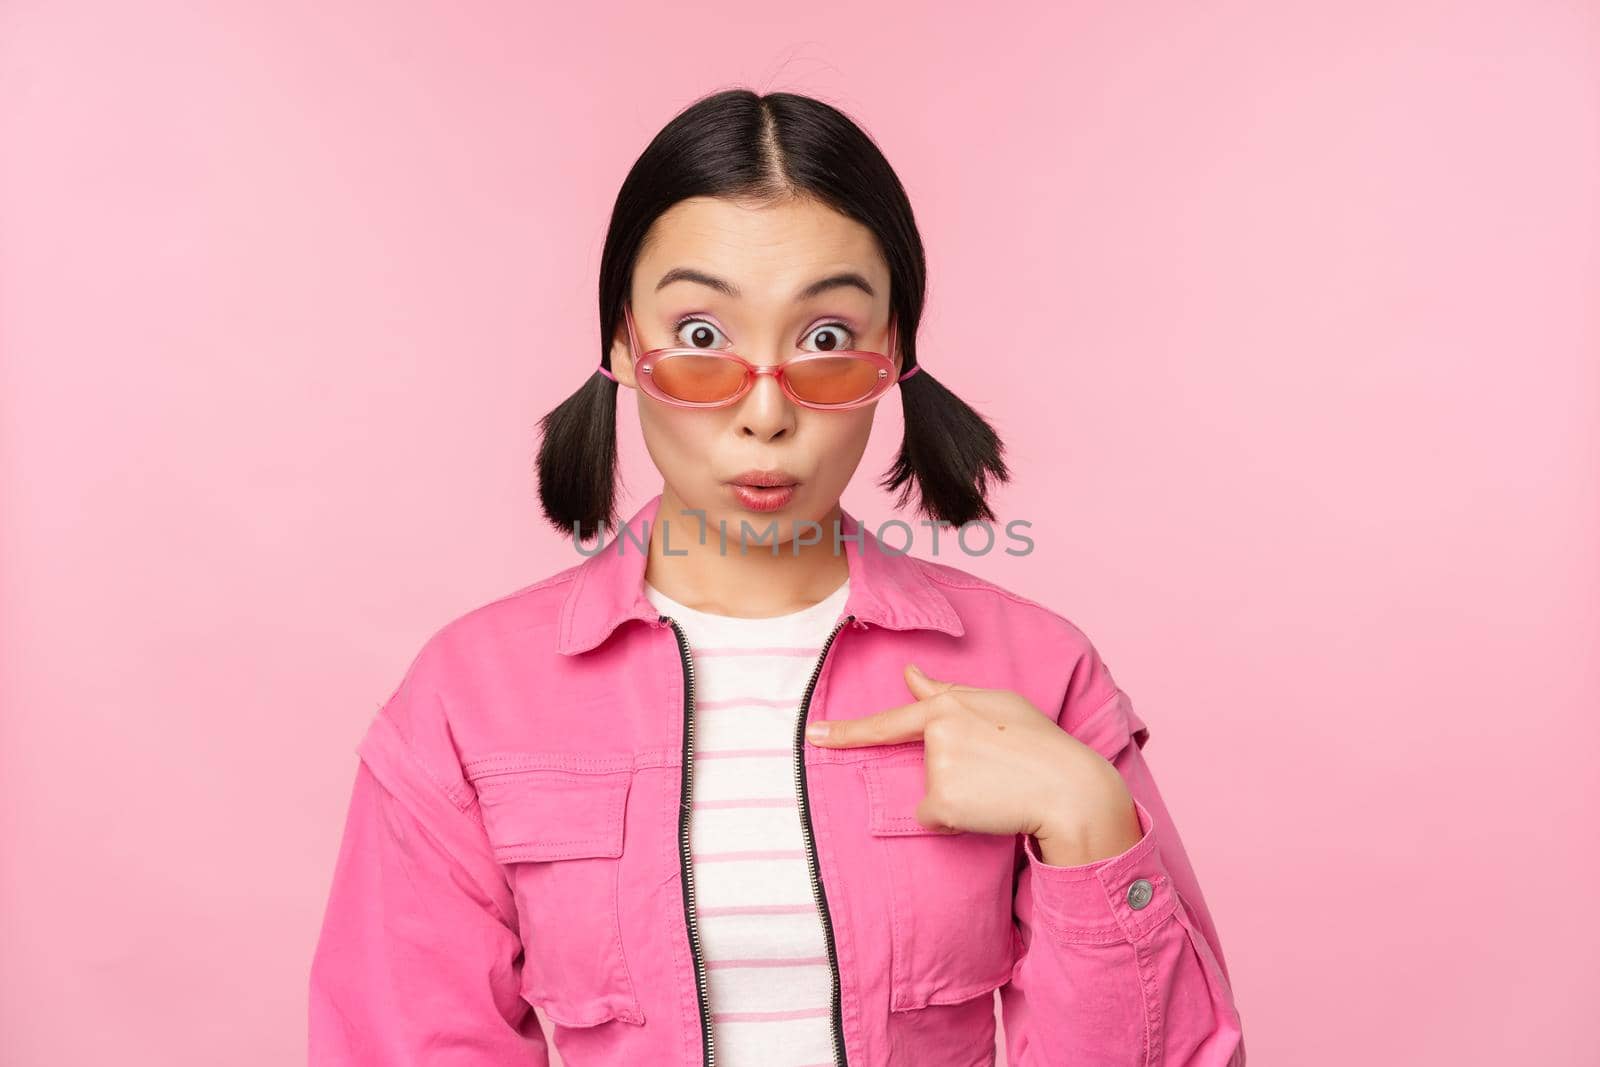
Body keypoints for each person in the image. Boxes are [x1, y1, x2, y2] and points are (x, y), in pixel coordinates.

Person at [309, 87, 1246, 1066]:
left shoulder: (1039, 669)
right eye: (704, 336)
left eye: (827, 339)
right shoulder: (467, 698)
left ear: (895, 359)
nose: (765, 412)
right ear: (624, 344)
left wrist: (1089, 820)